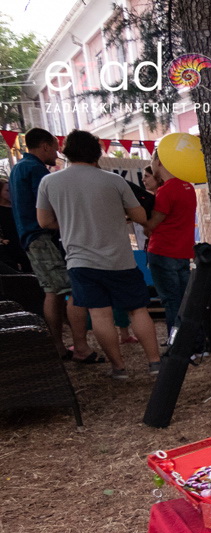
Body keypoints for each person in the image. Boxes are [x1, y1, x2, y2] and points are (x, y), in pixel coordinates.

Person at [36, 130, 161, 379]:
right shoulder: (114, 180)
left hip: (80, 261)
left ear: (66, 151)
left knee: (99, 313)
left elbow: (44, 221)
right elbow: (140, 217)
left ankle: (119, 368)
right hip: (120, 259)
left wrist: (73, 223)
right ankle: (155, 363)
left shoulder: (49, 182)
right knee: (138, 310)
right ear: (97, 152)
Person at [9, 127, 99, 361]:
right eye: (55, 147)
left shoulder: (19, 168)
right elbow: (51, 205)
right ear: (46, 146)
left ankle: (61, 345)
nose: (58, 152)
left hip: (31, 236)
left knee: (54, 290)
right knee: (62, 290)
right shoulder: (35, 170)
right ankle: (73, 346)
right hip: (41, 235)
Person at [142, 151, 197, 339]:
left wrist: (140, 220)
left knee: (171, 301)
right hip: (183, 251)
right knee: (185, 300)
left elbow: (152, 225)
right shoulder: (188, 187)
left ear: (159, 161)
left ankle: (176, 344)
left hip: (163, 251)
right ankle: (195, 344)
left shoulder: (166, 191)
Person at [0, 179, 32, 272]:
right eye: (7, 190)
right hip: (10, 246)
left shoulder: (18, 207)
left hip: (24, 242)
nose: (11, 193)